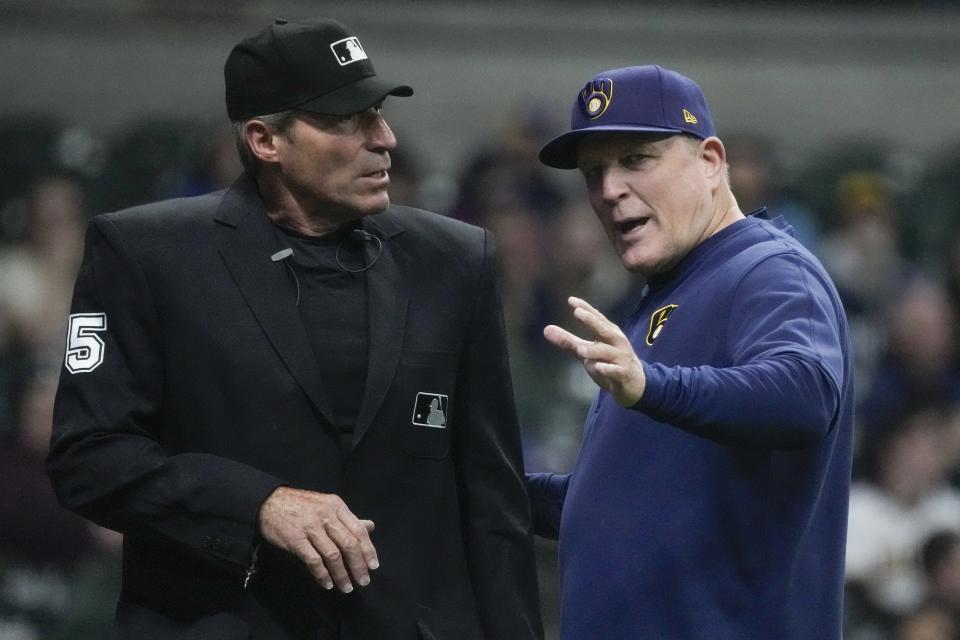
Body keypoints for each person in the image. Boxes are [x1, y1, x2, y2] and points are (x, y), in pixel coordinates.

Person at [47, 18, 542, 640]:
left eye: (380, 114)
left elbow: (491, 498)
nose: (384, 139)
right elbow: (87, 457)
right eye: (348, 120)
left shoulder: (455, 260)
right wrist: (257, 503)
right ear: (264, 140)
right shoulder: (147, 255)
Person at [526, 65, 854, 639]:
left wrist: (651, 385)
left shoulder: (766, 270)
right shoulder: (672, 288)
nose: (608, 189)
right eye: (594, 172)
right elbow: (624, 504)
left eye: (636, 159)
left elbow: (805, 393)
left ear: (709, 161)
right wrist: (488, 486)